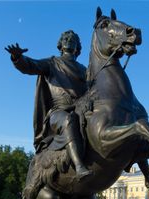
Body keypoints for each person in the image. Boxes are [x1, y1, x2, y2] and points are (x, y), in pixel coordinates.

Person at [5, 30, 92, 181]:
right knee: (68, 120)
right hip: (58, 113)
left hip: (81, 110)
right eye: (65, 38)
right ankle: (79, 166)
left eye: (73, 39)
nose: (68, 40)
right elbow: (30, 65)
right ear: (60, 45)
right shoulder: (52, 63)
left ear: (78, 46)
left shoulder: (85, 70)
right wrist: (17, 57)